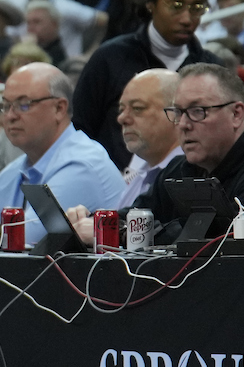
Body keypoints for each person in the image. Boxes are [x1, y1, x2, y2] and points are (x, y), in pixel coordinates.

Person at [135, 61, 244, 233]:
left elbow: (229, 247)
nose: (183, 124)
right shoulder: (178, 170)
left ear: (236, 114)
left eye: (197, 110)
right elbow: (130, 219)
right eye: (178, 112)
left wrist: (152, 233)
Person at [70, 0, 206, 168]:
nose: (187, 18)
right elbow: (80, 132)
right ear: (150, 3)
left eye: (197, 8)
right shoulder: (110, 58)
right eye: (176, 6)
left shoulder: (211, 69)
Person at [0, 64, 118, 245]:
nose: (10, 116)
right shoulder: (18, 168)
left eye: (23, 105)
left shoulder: (83, 164)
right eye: (5, 106)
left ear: (59, 109)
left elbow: (23, 242)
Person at [60, 68, 183, 243]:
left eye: (138, 108)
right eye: (121, 109)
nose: (122, 118)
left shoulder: (188, 172)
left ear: (176, 114)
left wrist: (103, 230)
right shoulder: (140, 165)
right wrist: (88, 221)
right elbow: (126, 216)